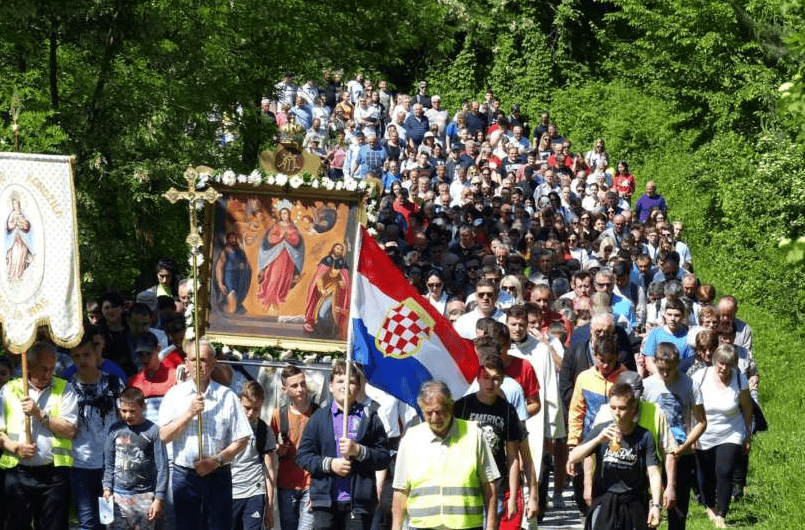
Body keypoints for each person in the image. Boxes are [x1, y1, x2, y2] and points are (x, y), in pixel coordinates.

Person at [158, 339, 252, 530]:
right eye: (194, 360)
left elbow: (242, 438)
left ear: (213, 363)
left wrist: (216, 461)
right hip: (184, 475)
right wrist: (188, 413)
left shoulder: (228, 397)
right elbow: (162, 436)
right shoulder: (174, 395)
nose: (198, 365)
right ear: (186, 363)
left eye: (204, 360)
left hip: (217, 474)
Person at [391, 380, 499, 530]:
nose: (435, 418)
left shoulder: (474, 434)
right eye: (429, 413)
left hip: (466, 526)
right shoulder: (410, 438)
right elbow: (400, 490)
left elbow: (490, 484)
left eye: (440, 411)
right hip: (422, 527)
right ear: (422, 410)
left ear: (451, 406)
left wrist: (491, 525)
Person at [296, 360, 390, 530]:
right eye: (340, 381)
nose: (345, 386)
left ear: (359, 387)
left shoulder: (370, 418)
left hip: (359, 504)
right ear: (331, 385)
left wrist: (359, 451)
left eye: (352, 382)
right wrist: (330, 464)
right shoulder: (318, 419)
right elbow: (303, 456)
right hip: (325, 503)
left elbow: (383, 458)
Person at [0, 341, 78, 530]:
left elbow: (70, 430)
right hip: (18, 474)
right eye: (43, 369)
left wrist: (40, 414)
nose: (48, 374)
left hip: (53, 476)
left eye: (52, 368)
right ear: (29, 366)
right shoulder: (9, 390)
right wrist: (15, 447)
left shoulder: (65, 389)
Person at [453, 355, 535, 530]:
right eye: (486, 378)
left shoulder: (507, 411)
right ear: (478, 378)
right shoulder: (463, 407)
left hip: (495, 485)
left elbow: (514, 458)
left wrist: (513, 497)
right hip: (466, 482)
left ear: (503, 379)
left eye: (496, 379)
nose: (490, 384)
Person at [568, 383, 663, 530]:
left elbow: (653, 472)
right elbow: (573, 458)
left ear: (633, 409)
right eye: (613, 408)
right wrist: (597, 440)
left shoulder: (644, 436)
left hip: (633, 502)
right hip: (605, 500)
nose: (617, 413)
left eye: (622, 408)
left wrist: (656, 506)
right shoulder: (602, 429)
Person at [642, 343, 707, 530]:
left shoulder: (689, 384)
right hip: (652, 455)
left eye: (670, 370)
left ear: (678, 363)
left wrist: (686, 446)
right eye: (661, 369)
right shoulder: (646, 386)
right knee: (650, 512)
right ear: (655, 363)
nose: (666, 374)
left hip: (681, 453)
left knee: (677, 512)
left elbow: (702, 421)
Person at [690, 344, 752, 528]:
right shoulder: (700, 377)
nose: (724, 368)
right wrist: (691, 435)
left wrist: (747, 435)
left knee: (724, 472)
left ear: (734, 364)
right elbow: (689, 407)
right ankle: (710, 505)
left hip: (731, 431)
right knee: (705, 473)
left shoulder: (740, 380)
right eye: (720, 363)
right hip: (703, 432)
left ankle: (721, 514)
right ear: (714, 361)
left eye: (728, 364)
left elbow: (747, 409)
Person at [68, 333, 124, 530]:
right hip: (80, 461)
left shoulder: (114, 383)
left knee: (107, 520)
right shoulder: (67, 388)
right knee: (87, 520)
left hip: (110, 462)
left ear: (96, 354)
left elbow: (124, 419)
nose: (82, 360)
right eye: (76, 356)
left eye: (86, 354)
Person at [103, 387, 168, 530]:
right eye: (124, 411)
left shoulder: (153, 431)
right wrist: (107, 487)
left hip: (144, 496)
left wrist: (158, 498)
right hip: (118, 496)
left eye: (132, 411)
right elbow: (108, 462)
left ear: (142, 407)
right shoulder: (114, 430)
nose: (127, 415)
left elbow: (162, 467)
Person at [271, 365, 318, 530]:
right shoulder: (278, 414)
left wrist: (319, 489)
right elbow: (269, 447)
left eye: (302, 384)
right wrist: (278, 448)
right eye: (294, 385)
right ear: (284, 390)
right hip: (286, 483)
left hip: (311, 483)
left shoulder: (318, 413)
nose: (300, 389)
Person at [231, 381, 277, 530]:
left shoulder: (264, 431)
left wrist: (269, 506)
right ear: (239, 402)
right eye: (247, 408)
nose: (251, 413)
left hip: (255, 492)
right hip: (229, 492)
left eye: (256, 409)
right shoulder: (227, 426)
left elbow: (270, 470)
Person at [257, 203, 305, 311]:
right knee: (274, 277)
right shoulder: (276, 226)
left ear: (289, 215)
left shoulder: (292, 228)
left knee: (285, 278)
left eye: (285, 213)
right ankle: (268, 299)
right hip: (277, 255)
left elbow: (296, 240)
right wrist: (280, 237)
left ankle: (277, 299)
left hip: (288, 255)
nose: (284, 216)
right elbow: (271, 239)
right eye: (282, 214)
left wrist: (287, 236)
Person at [303, 242, 351, 339]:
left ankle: (327, 334)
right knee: (320, 313)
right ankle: (322, 333)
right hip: (323, 292)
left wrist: (343, 283)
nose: (339, 251)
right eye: (337, 248)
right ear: (333, 249)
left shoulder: (342, 263)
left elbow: (344, 278)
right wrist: (321, 289)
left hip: (334, 291)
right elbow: (319, 277)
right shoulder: (326, 260)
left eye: (341, 249)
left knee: (327, 313)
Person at [215, 231, 251, 313]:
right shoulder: (225, 252)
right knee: (231, 293)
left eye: (234, 238)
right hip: (229, 276)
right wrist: (220, 284)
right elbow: (220, 267)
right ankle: (231, 312)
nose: (233, 240)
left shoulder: (240, 251)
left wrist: (243, 265)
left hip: (238, 277)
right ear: (227, 240)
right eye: (231, 238)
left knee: (237, 294)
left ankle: (234, 310)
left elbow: (245, 262)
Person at [5, 191, 33, 282]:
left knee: (22, 255)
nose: (15, 206)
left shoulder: (21, 214)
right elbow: (9, 226)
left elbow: (27, 226)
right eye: (14, 204)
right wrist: (14, 224)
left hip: (21, 239)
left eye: (16, 204)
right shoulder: (12, 214)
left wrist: (22, 224)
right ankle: (13, 275)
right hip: (15, 239)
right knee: (15, 255)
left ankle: (19, 275)